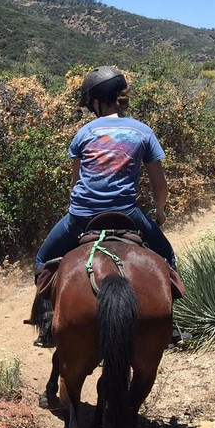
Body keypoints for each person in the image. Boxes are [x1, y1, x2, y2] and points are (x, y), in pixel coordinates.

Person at [30, 66, 182, 347]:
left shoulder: (84, 133)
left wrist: (76, 208)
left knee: (43, 259)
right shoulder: (143, 132)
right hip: (129, 215)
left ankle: (47, 325)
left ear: (97, 101)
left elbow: (76, 182)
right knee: (168, 257)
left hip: (81, 216)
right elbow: (161, 187)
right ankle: (172, 326)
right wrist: (159, 212)